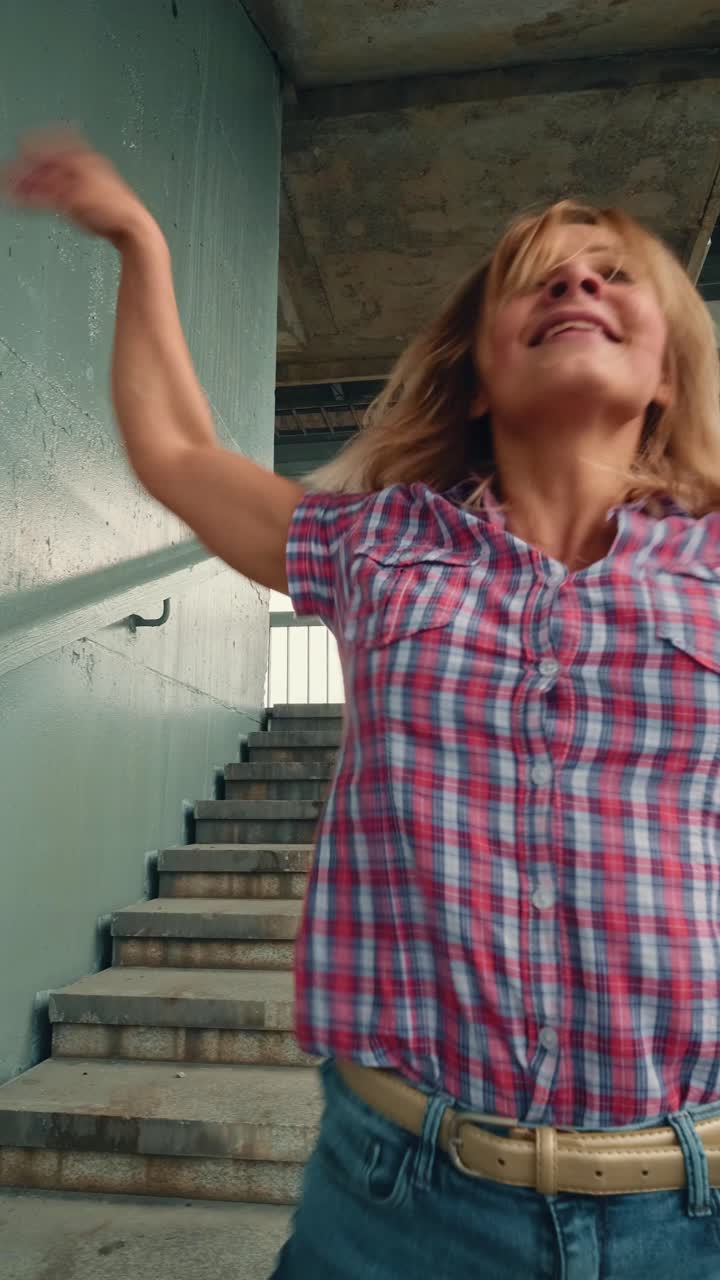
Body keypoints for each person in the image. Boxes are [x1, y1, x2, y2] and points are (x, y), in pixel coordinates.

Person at [5, 131, 720, 1280]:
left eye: (610, 272)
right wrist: (139, 240)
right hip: (398, 1206)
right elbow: (181, 450)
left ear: (669, 371)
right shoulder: (380, 544)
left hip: (691, 1210)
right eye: (536, 276)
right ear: (480, 375)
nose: (576, 283)